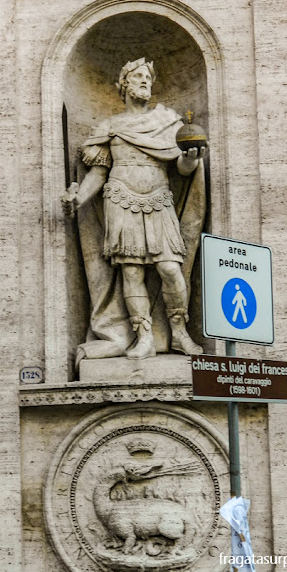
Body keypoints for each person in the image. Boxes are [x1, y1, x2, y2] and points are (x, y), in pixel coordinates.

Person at [61, 57, 206, 360]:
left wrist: (191, 159)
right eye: (137, 76)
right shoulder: (109, 126)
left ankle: (179, 333)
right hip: (120, 199)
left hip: (158, 197)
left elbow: (181, 168)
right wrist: (79, 199)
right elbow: (98, 174)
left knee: (169, 267)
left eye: (148, 78)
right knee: (132, 272)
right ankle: (143, 337)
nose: (144, 82)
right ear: (123, 84)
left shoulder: (168, 123)